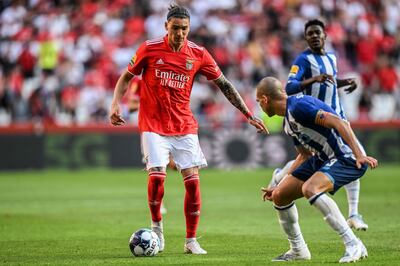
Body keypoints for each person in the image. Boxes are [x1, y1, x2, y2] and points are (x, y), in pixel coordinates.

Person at [110, 4, 267, 255]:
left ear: (189, 28)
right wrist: (116, 103)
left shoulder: (198, 54)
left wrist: (248, 113)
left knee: (193, 184)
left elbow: (224, 85)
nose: (180, 33)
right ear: (166, 27)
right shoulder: (149, 49)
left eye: (184, 29)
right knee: (157, 176)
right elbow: (126, 77)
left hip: (184, 126)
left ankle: (191, 240)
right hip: (153, 124)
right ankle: (157, 228)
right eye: (175, 28)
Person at [256, 77, 378, 263]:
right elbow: (304, 155)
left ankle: (353, 244)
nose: (260, 106)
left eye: (258, 102)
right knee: (280, 195)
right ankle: (298, 251)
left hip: (346, 156)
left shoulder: (298, 106)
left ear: (265, 100)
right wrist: (280, 183)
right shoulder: (288, 123)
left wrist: (358, 155)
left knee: (310, 189)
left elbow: (339, 123)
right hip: (322, 158)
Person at [268, 19, 368, 231]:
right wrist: (312, 80)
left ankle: (354, 213)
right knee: (315, 156)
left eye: (317, 32)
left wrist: (345, 82)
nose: (314, 36)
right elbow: (289, 86)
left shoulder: (331, 57)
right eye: (310, 33)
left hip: (336, 116)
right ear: (306, 38)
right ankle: (279, 177)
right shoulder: (303, 60)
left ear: (325, 36)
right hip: (313, 118)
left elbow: (330, 81)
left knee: (350, 157)